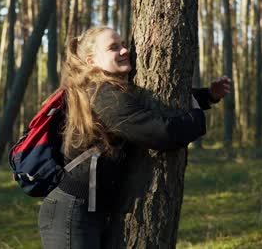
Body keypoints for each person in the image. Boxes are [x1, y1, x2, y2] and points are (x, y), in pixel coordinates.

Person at [38, 27, 231, 249]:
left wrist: (207, 95)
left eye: (122, 44)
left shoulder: (108, 90)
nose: (125, 50)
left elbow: (150, 106)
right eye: (113, 47)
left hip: (87, 211)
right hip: (71, 214)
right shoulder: (105, 95)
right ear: (91, 61)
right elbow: (161, 133)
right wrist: (196, 116)